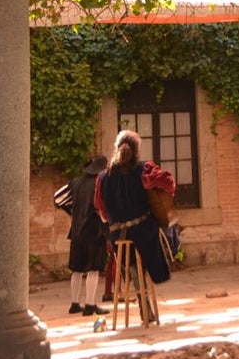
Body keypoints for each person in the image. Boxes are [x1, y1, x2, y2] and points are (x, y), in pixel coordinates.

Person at [94, 130, 172, 314]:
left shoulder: (102, 177)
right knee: (165, 233)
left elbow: (100, 209)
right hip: (143, 232)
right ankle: (148, 273)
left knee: (127, 251)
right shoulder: (145, 170)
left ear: (117, 148)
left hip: (118, 235)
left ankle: (131, 270)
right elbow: (168, 183)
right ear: (136, 150)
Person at [63, 155, 110, 315]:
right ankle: (90, 305)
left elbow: (58, 199)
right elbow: (101, 208)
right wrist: (106, 221)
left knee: (76, 269)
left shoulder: (75, 182)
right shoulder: (100, 183)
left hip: (76, 231)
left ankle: (74, 304)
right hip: (94, 231)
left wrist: (74, 212)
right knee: (93, 269)